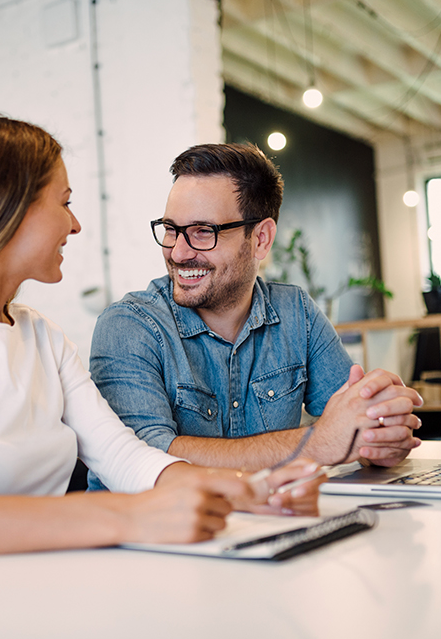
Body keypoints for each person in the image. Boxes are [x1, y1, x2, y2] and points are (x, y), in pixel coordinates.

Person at [0, 115, 323, 565]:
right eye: (64, 203)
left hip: (44, 593)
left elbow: (127, 457)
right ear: (9, 210)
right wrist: (129, 517)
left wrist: (249, 491)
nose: (76, 223)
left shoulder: (41, 336)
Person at [88, 143, 423, 490]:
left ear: (261, 239)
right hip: (150, 537)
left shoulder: (296, 313)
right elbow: (145, 459)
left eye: (203, 231)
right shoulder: (129, 325)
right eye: (171, 229)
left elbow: (357, 429)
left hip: (263, 523)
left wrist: (382, 432)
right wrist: (318, 443)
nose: (178, 251)